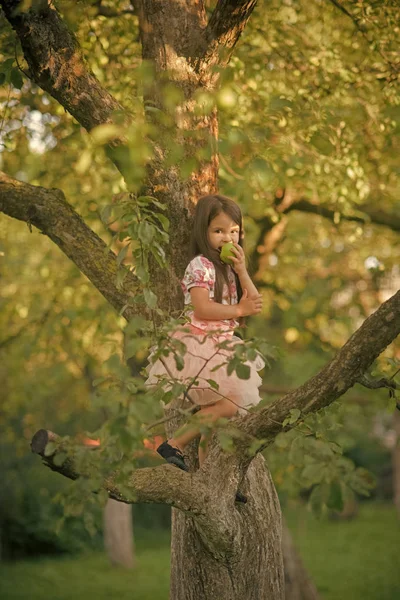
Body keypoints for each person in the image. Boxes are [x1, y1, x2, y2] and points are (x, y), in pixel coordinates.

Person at [145, 194, 264, 474]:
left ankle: (209, 474)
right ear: (204, 232)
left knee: (215, 419)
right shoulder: (201, 265)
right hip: (199, 343)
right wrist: (238, 310)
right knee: (228, 405)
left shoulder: (230, 268)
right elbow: (201, 308)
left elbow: (254, 303)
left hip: (222, 345)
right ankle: (173, 443)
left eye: (233, 231)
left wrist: (242, 270)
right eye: (219, 231)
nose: (227, 238)